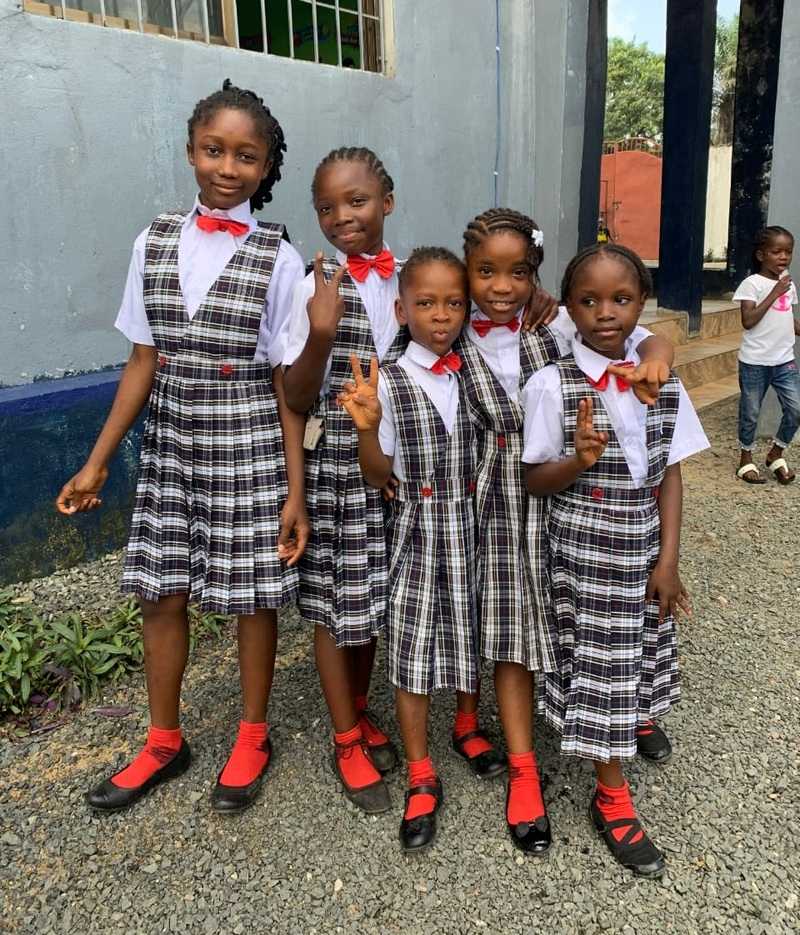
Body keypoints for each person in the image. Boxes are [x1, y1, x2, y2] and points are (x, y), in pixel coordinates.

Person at [56, 81, 308, 814]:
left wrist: (294, 491)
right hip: (172, 437)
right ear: (192, 149)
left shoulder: (278, 258)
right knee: (160, 589)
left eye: (246, 156)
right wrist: (100, 456)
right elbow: (143, 359)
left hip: (248, 436)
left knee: (252, 595)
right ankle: (164, 738)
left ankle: (253, 733)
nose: (227, 167)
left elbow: (287, 386)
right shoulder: (154, 239)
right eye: (213, 149)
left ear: (266, 168)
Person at [281, 149, 498, 813]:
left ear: (388, 202)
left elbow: (484, 314)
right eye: (326, 207)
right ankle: (346, 734)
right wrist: (320, 331)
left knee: (381, 597)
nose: (342, 216)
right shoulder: (312, 284)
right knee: (331, 602)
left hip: (405, 471)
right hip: (339, 468)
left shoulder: (418, 281)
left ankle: (366, 708)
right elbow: (292, 393)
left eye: (357, 201)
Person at [456, 208, 677, 855]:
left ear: (537, 276)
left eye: (518, 273)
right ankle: (524, 770)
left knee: (590, 625)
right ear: (468, 273)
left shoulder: (554, 321)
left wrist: (662, 347)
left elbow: (640, 339)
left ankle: (619, 713)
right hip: (495, 499)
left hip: (573, 502)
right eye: (486, 272)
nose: (501, 286)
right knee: (511, 630)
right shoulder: (445, 330)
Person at [523, 243, 708, 878]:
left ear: (643, 304)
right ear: (567, 308)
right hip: (585, 545)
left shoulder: (665, 380)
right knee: (602, 654)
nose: (607, 313)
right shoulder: (550, 384)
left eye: (622, 299)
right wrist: (578, 458)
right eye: (589, 300)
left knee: (646, 632)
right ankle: (611, 793)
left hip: (645, 539)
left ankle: (636, 710)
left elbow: (672, 475)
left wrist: (670, 557)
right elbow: (534, 481)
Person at [338, 247, 478, 851]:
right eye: (425, 303)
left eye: (453, 303)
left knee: (477, 628)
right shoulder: (388, 381)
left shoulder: (478, 371)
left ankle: (471, 726)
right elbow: (377, 474)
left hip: (477, 522)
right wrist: (368, 429)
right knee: (414, 644)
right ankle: (422, 772)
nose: (440, 316)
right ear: (401, 310)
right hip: (418, 528)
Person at [733, 225, 800, 485]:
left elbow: (786, 320)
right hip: (755, 362)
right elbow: (748, 320)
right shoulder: (752, 284)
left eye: (788, 252)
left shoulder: (787, 284)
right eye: (777, 251)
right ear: (761, 255)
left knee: (795, 410)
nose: (783, 257)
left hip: (784, 361)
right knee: (750, 413)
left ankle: (776, 454)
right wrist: (775, 292)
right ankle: (745, 459)